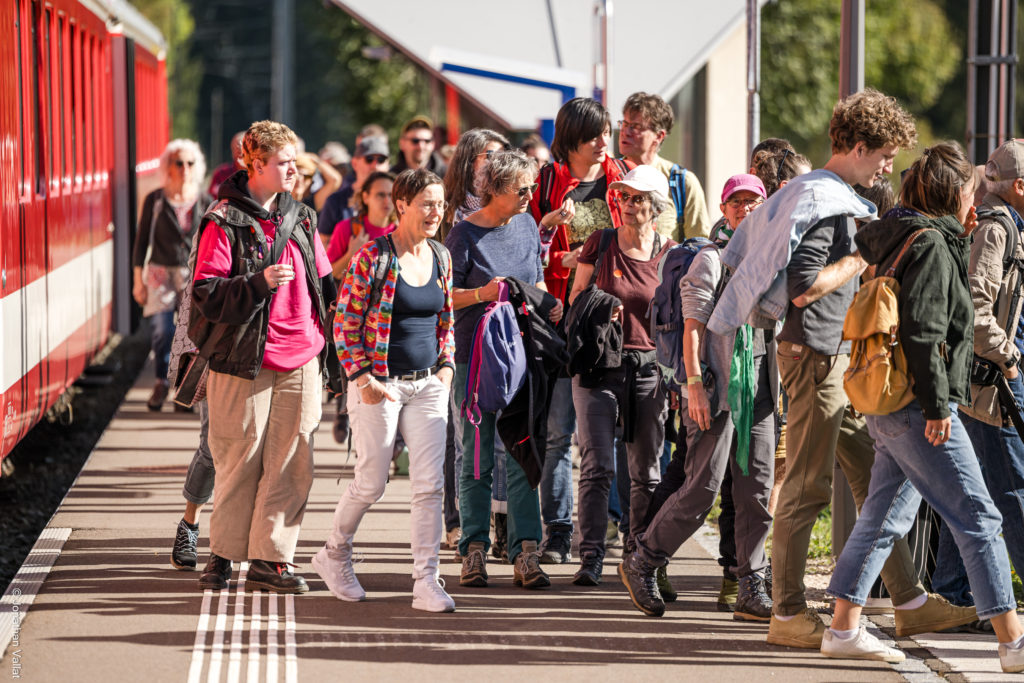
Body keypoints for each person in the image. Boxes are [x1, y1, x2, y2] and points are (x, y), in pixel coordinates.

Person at [704, 90, 975, 649]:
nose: (887, 167)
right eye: (881, 156)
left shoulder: (813, 193)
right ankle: (787, 613)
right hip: (817, 358)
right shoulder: (830, 203)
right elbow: (803, 289)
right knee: (806, 487)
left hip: (827, 359)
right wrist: (861, 258)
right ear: (856, 147)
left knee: (875, 477)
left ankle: (911, 602)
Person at [820, 142, 1024, 673]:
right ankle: (1013, 642)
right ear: (951, 191)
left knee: (883, 516)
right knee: (979, 518)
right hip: (919, 405)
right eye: (969, 189)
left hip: (886, 402)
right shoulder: (932, 244)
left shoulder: (898, 237)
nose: (974, 197)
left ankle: (842, 627)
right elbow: (926, 333)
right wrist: (939, 407)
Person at [191, 120, 339, 594]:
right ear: (253, 165)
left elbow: (325, 282)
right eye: (283, 162)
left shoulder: (302, 217)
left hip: (302, 356)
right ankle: (222, 555)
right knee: (239, 455)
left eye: (296, 160)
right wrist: (258, 283)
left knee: (293, 460)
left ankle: (271, 558)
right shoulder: (223, 220)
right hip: (243, 359)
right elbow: (206, 293)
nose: (293, 169)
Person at [620, 174, 776, 620]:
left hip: (759, 393)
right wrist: (693, 387)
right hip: (713, 389)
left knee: (757, 492)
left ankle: (751, 585)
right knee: (702, 489)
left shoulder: (770, 259)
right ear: (724, 209)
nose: (746, 209)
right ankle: (643, 559)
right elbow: (693, 331)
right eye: (737, 202)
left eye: (754, 202)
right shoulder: (711, 259)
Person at [313, 168, 457, 612]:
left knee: (429, 486)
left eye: (441, 204)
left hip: (428, 385)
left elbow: (446, 322)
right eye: (427, 204)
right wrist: (363, 380)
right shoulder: (375, 257)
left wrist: (446, 368)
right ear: (402, 205)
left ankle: (426, 581)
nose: (436, 212)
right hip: (379, 385)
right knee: (371, 482)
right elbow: (345, 323)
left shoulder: (441, 256)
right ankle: (334, 553)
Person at [446, 149, 561, 590]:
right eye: (522, 189)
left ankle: (526, 552)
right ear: (493, 190)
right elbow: (444, 297)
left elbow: (536, 279)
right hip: (475, 358)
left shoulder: (529, 225)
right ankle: (472, 550)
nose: (531, 196)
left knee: (522, 449)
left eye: (531, 187)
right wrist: (481, 295)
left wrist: (548, 305)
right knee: (476, 455)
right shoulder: (462, 236)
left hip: (521, 354)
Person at [528, 97, 632, 565]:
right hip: (556, 319)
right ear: (571, 139)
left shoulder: (622, 178)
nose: (604, 143)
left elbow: (642, 241)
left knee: (610, 434)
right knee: (557, 432)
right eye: (595, 136)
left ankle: (609, 523)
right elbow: (523, 245)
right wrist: (554, 243)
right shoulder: (546, 181)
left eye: (606, 133)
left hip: (609, 322)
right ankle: (558, 529)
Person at [567, 165, 675, 586]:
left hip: (649, 368)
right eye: (624, 197)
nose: (628, 205)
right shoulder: (602, 241)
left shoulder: (671, 253)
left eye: (638, 198)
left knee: (645, 470)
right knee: (596, 465)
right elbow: (576, 298)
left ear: (655, 206)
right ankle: (591, 556)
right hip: (599, 366)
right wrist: (601, 306)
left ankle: (638, 555)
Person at [931, 139, 1024, 614]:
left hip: (985, 376)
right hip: (995, 380)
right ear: (1020, 187)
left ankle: (950, 595)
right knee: (1013, 486)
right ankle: (957, 594)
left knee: (973, 491)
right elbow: (977, 307)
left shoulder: (1007, 224)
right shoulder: (997, 229)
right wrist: (1010, 359)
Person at [439, 128, 513, 557]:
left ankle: (497, 526)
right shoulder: (450, 215)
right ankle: (459, 523)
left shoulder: (510, 213)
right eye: (490, 155)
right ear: (470, 161)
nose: (496, 163)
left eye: (503, 156)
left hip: (500, 340)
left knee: (499, 440)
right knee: (461, 437)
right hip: (456, 335)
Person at [132, 139, 212, 411]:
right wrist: (137, 281)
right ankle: (160, 382)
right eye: (179, 163)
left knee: (189, 333)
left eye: (190, 163)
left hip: (192, 273)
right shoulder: (155, 199)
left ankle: (181, 388)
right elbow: (141, 242)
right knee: (162, 329)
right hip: (159, 273)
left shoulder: (204, 201)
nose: (184, 168)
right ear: (169, 166)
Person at [618, 92, 711, 241]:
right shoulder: (609, 175)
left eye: (635, 127)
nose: (625, 132)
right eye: (624, 124)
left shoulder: (682, 182)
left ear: (659, 136)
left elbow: (699, 245)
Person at [318, 136, 391, 248]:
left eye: (381, 160)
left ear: (388, 165)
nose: (375, 166)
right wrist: (351, 255)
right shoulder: (335, 201)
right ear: (354, 163)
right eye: (369, 159)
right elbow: (322, 248)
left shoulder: (397, 199)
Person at [208, 131, 245, 198]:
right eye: (235, 148)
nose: (239, 153)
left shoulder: (258, 174)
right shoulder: (221, 173)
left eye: (242, 149)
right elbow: (211, 197)